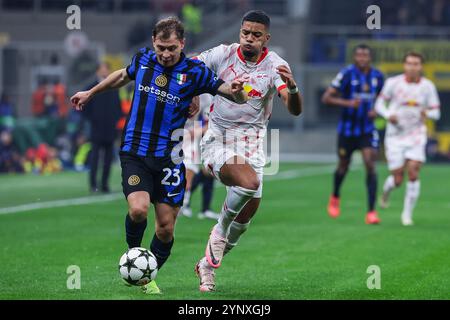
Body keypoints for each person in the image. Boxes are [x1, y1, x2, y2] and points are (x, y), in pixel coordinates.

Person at [70, 17, 249, 295]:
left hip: (170, 159)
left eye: (172, 49)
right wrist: (90, 92)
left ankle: (148, 275)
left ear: (182, 45)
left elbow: (224, 88)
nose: (165, 54)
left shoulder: (194, 71)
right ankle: (135, 259)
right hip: (135, 152)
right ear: (153, 42)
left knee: (165, 228)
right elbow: (121, 76)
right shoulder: (143, 59)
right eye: (161, 48)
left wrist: (236, 93)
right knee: (138, 209)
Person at [194, 10, 302, 292]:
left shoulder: (275, 65)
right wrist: (193, 94)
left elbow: (294, 108)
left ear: (266, 38)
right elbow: (188, 68)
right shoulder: (222, 54)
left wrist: (293, 87)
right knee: (249, 183)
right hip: (218, 139)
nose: (249, 39)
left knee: (243, 222)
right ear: (239, 33)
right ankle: (218, 230)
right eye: (245, 33)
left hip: (253, 146)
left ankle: (206, 267)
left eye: (256, 35)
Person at [375, 52, 440, 226]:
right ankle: (387, 190)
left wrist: (428, 113)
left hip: (416, 135)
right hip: (395, 136)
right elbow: (379, 104)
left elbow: (436, 111)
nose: (412, 67)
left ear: (421, 66)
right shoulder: (393, 83)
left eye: (416, 64)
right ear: (404, 65)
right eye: (409, 63)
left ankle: (406, 214)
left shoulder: (428, 86)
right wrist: (389, 115)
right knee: (397, 179)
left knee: (413, 171)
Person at [322, 44, 384, 224]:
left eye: (366, 55)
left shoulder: (378, 77)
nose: (362, 58)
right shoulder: (346, 74)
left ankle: (371, 211)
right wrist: (348, 103)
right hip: (347, 131)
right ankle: (335, 196)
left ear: (370, 57)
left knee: (370, 164)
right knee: (343, 165)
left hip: (367, 129)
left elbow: (386, 99)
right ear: (354, 57)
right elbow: (326, 98)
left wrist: (378, 110)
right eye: (359, 55)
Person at [83, 62, 122, 193]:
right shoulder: (91, 87)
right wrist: (93, 120)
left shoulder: (113, 87)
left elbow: (118, 107)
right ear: (97, 71)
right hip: (96, 129)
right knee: (94, 158)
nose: (105, 72)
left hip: (110, 129)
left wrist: (115, 121)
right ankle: (93, 184)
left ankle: (104, 184)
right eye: (103, 69)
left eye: (107, 69)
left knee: (108, 159)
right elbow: (85, 108)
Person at [179, 93, 219, 220]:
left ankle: (185, 203)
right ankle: (182, 202)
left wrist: (195, 132)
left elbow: (209, 123)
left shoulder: (207, 96)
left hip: (192, 139)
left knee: (196, 171)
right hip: (173, 135)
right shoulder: (176, 85)